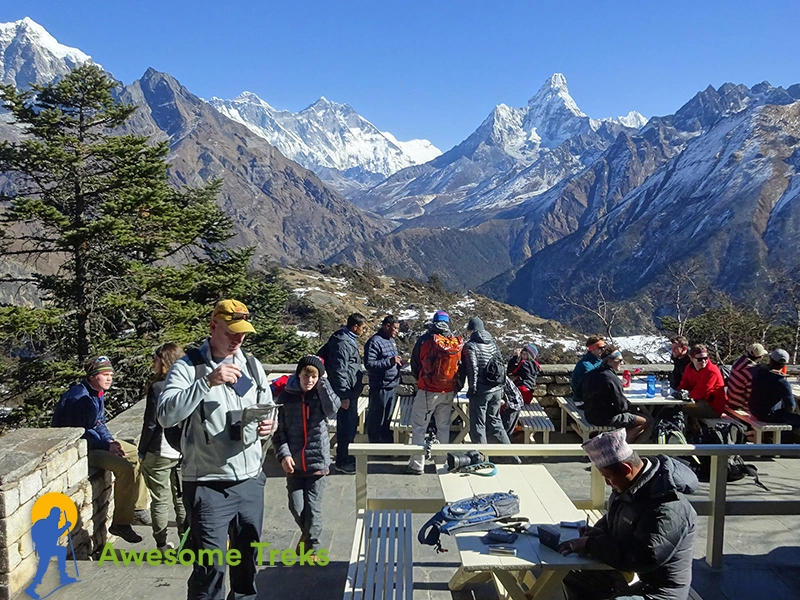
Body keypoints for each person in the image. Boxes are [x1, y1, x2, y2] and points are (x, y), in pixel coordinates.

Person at [157, 299, 275, 600]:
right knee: (211, 569)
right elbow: (166, 414)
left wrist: (268, 426)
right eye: (231, 332)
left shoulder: (251, 364)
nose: (238, 339)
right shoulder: (189, 366)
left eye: (243, 333)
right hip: (208, 485)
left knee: (247, 566)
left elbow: (266, 408)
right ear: (213, 326)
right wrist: (207, 382)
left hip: (249, 481)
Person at [559, 429, 698, 600]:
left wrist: (591, 544)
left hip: (661, 593)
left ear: (626, 469)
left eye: (608, 477)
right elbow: (612, 521)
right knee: (570, 576)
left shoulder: (668, 506)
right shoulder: (629, 487)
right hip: (640, 581)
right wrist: (597, 533)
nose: (607, 483)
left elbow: (644, 557)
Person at [52, 355, 150, 544]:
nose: (109, 378)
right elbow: (80, 434)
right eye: (104, 374)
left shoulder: (96, 393)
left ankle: (137, 508)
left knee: (137, 454)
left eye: (111, 374)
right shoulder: (79, 398)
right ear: (92, 376)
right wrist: (107, 445)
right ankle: (121, 523)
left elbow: (99, 423)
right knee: (125, 468)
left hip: (96, 443)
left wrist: (110, 440)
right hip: (81, 451)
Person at [273, 355, 340, 559]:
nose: (309, 381)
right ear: (298, 374)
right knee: (296, 505)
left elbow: (333, 409)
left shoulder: (320, 394)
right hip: (294, 462)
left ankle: (313, 548)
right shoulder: (285, 397)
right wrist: (284, 455)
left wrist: (324, 384)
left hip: (317, 460)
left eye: (314, 377)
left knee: (313, 508)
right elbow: (279, 431)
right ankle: (307, 535)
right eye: (305, 376)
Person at [138, 342, 188, 552]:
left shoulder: (158, 388)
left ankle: (161, 544)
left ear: (165, 361)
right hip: (181, 449)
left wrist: (142, 450)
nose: (153, 363)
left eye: (156, 359)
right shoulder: (187, 384)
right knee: (181, 498)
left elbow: (151, 423)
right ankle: (187, 543)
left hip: (159, 448)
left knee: (160, 500)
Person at [407, 310, 463, 475]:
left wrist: (422, 380)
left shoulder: (425, 339)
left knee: (419, 427)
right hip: (448, 390)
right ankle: (441, 462)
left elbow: (415, 364)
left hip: (428, 390)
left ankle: (417, 464)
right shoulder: (454, 342)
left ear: (434, 321)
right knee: (443, 427)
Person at [321, 313, 366, 474]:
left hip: (350, 391)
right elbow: (340, 370)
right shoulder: (343, 343)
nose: (364, 330)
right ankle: (343, 461)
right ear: (355, 327)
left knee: (350, 426)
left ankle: (346, 456)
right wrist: (344, 395)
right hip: (347, 393)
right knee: (346, 428)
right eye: (362, 327)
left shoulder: (342, 338)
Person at [582, 346, 652, 443]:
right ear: (610, 361)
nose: (622, 363)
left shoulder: (591, 373)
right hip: (606, 418)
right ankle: (619, 445)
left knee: (634, 417)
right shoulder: (612, 378)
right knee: (646, 421)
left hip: (589, 413)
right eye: (619, 360)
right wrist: (631, 409)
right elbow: (622, 407)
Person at [461, 317, 512, 445]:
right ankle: (511, 455)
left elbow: (472, 369)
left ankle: (482, 458)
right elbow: (501, 365)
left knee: (478, 425)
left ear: (471, 330)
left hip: (481, 390)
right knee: (495, 421)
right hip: (496, 389)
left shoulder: (470, 346)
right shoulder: (493, 344)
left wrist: (472, 389)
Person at [364, 314, 403, 443]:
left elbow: (391, 359)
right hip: (380, 387)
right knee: (377, 418)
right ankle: (375, 446)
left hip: (392, 385)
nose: (397, 331)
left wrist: (397, 362)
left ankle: (386, 445)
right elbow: (369, 364)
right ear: (387, 326)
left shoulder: (391, 340)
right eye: (395, 328)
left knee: (387, 418)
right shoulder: (374, 342)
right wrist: (390, 362)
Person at [25, 508, 77, 600]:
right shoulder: (48, 523)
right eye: (59, 516)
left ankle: (63, 576)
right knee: (42, 568)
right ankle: (31, 588)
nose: (60, 518)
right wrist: (65, 527)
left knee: (61, 551)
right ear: (55, 515)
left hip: (47, 547)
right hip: (45, 548)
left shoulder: (52, 522)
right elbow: (55, 534)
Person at [749, 349, 800, 430]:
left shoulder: (758, 370)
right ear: (784, 365)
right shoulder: (781, 382)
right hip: (768, 415)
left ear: (770, 359)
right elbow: (791, 407)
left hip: (753, 410)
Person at [678, 344, 727, 419]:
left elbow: (701, 391)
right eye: (700, 359)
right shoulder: (689, 368)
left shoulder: (711, 371)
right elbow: (685, 383)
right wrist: (678, 392)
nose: (703, 361)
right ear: (691, 358)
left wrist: (686, 396)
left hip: (712, 407)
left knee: (679, 410)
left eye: (705, 358)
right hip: (698, 401)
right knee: (674, 407)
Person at [726, 343, 768, 412]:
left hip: (730, 400)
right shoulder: (751, 371)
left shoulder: (737, 361)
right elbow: (750, 394)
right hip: (739, 406)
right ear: (760, 357)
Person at [571, 336, 606, 406]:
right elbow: (589, 387)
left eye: (605, 347)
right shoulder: (585, 365)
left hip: (590, 397)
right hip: (582, 401)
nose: (603, 350)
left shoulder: (599, 360)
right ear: (592, 349)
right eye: (600, 348)